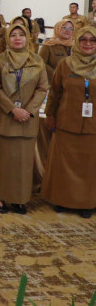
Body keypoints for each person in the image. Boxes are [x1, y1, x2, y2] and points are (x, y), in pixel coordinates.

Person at [0, 23, 48, 215]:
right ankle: (1, 198)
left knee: (23, 162)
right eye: (13, 35)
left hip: (27, 120)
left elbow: (42, 88)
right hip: (5, 118)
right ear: (7, 39)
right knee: (2, 161)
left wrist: (28, 111)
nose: (17, 38)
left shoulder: (37, 61)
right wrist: (13, 110)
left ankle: (20, 199)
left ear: (28, 38)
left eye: (21, 34)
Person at [41, 26, 96, 218]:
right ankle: (61, 200)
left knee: (89, 166)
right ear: (77, 42)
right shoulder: (65, 64)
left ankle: (86, 203)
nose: (88, 44)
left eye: (92, 40)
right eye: (83, 40)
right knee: (63, 165)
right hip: (66, 123)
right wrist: (50, 115)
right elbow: (55, 92)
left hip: (92, 126)